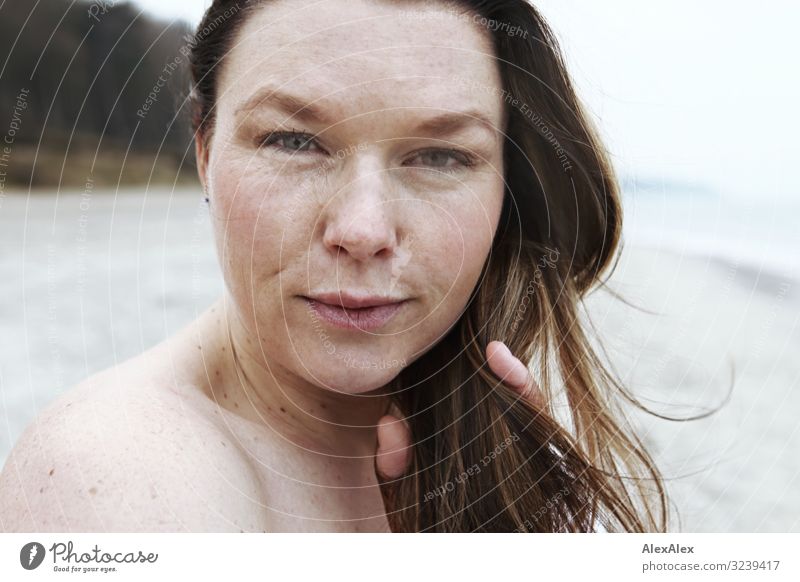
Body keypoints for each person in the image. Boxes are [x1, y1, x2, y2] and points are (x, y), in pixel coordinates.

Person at [0, 0, 667, 532]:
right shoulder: (114, 479)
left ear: (506, 187)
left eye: (439, 155)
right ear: (205, 150)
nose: (362, 230)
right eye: (295, 141)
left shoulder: (484, 450)